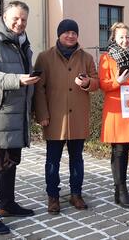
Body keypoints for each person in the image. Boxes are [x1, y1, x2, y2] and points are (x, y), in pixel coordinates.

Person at [0, 1, 40, 235]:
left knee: (10, 162)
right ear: (4, 17)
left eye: (24, 19)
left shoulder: (23, 44)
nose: (20, 23)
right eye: (15, 18)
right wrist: (17, 80)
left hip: (17, 114)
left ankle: (7, 205)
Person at [34, 19, 99, 215]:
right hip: (55, 118)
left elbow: (96, 82)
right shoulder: (44, 57)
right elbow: (38, 88)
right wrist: (42, 114)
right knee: (52, 160)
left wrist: (88, 82)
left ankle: (76, 194)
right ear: (59, 34)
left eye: (74, 33)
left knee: (77, 158)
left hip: (78, 117)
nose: (70, 36)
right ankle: (53, 196)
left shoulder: (86, 58)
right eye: (66, 32)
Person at [99, 22, 129, 208]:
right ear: (114, 39)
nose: (125, 40)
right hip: (116, 109)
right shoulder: (107, 57)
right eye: (121, 37)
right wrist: (117, 81)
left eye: (127, 36)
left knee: (125, 150)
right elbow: (103, 85)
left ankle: (121, 190)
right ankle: (120, 190)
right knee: (118, 150)